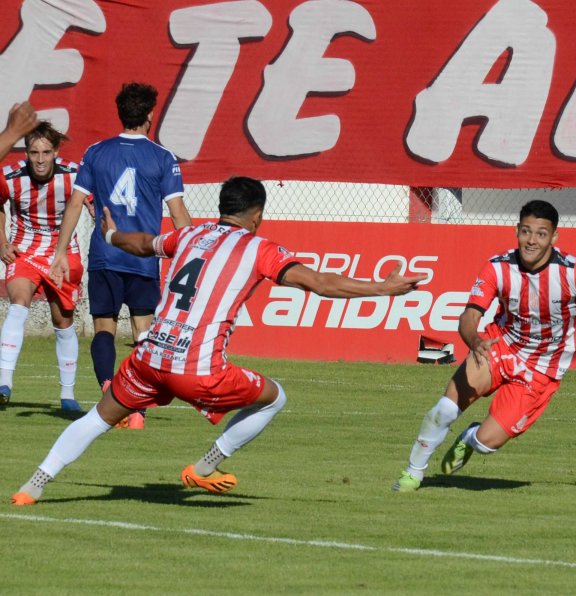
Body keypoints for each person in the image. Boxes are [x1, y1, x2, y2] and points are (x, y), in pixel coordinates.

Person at [11, 176, 426, 505]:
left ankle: (34, 484)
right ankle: (205, 466)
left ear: (223, 208)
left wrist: (113, 235)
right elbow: (319, 282)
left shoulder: (189, 235)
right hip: (197, 369)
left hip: (150, 356)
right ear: (257, 215)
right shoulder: (260, 248)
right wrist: (383, 288)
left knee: (97, 418)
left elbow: (142, 243)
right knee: (275, 397)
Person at [392, 199, 576, 492]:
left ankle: (470, 439)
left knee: (488, 444)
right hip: (499, 346)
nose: (531, 241)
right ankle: (413, 473)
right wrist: (474, 340)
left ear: (554, 237)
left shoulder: (574, 273)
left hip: (541, 369)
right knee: (445, 409)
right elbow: (469, 315)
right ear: (517, 231)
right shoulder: (497, 268)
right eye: (526, 232)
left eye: (540, 234)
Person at [50, 82, 192, 428]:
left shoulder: (97, 152)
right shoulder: (162, 157)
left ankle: (108, 390)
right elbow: (177, 214)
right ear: (149, 115)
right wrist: (194, 252)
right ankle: (137, 411)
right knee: (144, 331)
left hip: (105, 256)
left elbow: (73, 204)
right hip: (143, 256)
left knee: (103, 328)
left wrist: (60, 252)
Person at [0, 120, 83, 411]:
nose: (40, 160)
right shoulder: (10, 176)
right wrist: (2, 242)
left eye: (46, 152)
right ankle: (3, 383)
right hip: (23, 252)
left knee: (63, 322)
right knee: (19, 302)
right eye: (34, 153)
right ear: (26, 153)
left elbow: (96, 204)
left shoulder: (75, 175)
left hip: (62, 255)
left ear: (55, 151)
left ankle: (68, 396)